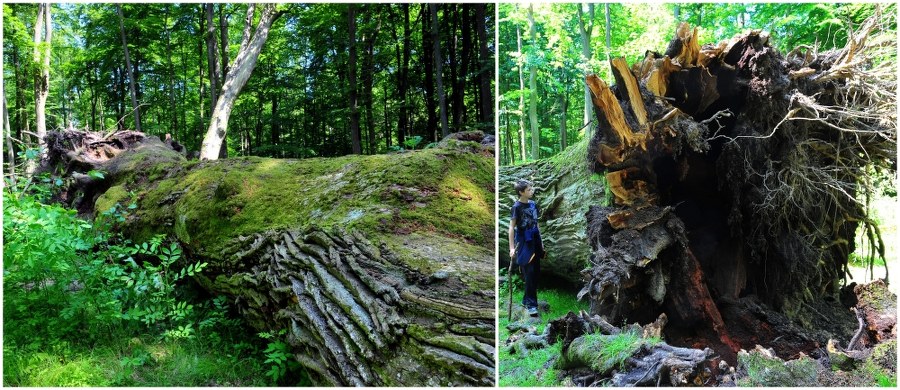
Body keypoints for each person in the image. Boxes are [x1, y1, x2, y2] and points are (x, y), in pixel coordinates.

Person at [508, 179, 545, 317]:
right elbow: (512, 228)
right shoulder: (516, 207)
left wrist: (541, 241)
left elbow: (536, 223)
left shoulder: (533, 204)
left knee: (535, 273)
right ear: (521, 192)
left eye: (531, 188)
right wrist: (512, 248)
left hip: (535, 239)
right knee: (528, 272)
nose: (532, 191)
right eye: (529, 190)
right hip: (523, 242)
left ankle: (526, 300)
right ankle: (532, 305)